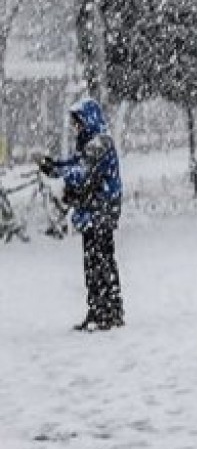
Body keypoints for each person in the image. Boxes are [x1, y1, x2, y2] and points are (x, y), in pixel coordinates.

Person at [38, 98, 124, 331]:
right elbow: (76, 164)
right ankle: (105, 310)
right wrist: (55, 167)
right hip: (97, 211)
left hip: (100, 212)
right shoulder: (92, 143)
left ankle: (104, 312)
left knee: (98, 263)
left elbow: (82, 173)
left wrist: (60, 179)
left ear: (88, 120)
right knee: (99, 261)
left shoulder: (99, 144)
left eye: (78, 122)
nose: (76, 127)